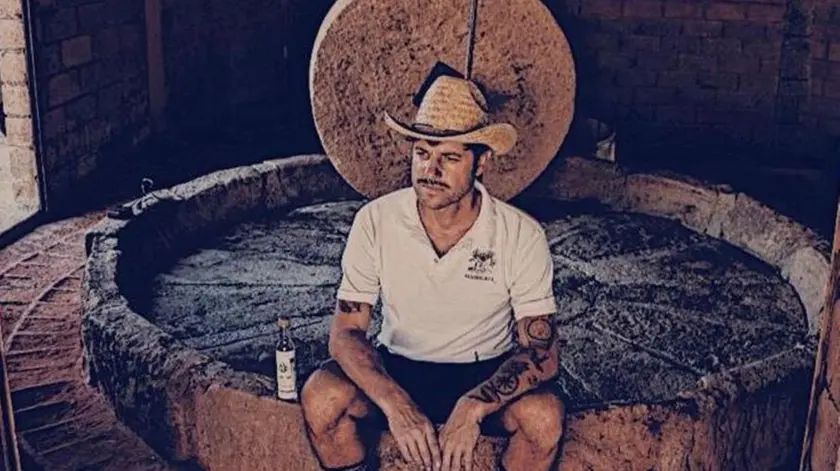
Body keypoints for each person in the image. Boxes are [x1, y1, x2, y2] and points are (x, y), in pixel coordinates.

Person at [301, 65, 565, 471]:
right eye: (422, 153)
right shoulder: (376, 220)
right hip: (398, 367)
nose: (431, 170)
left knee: (543, 418)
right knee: (322, 397)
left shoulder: (519, 234)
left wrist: (473, 406)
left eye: (450, 157)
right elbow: (346, 333)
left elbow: (543, 353)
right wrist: (396, 404)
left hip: (484, 373)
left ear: (481, 162)